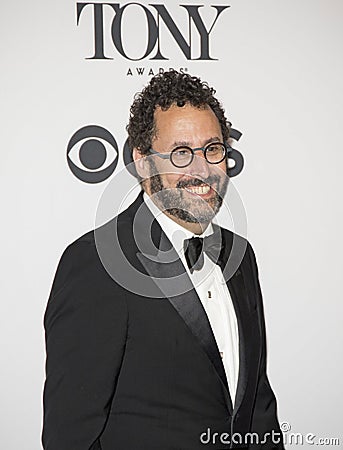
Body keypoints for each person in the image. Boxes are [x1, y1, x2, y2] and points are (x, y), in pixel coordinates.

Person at [42, 70, 284, 449]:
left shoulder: (241, 256)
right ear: (143, 162)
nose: (202, 169)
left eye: (213, 149)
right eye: (181, 153)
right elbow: (70, 436)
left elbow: (257, 405)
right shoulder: (97, 262)